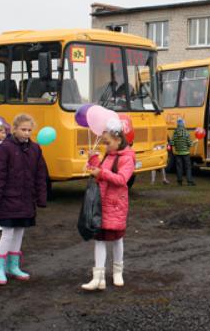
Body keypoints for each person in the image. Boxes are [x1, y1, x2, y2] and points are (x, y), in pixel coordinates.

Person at [0, 114, 48, 285]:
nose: (26, 133)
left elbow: (40, 174)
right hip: (8, 198)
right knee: (7, 233)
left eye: (29, 130)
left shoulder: (36, 149)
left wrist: (41, 197)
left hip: (26, 199)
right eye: (23, 129)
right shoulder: (5, 148)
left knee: (19, 232)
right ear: (14, 129)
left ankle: (13, 266)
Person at [82, 118, 135, 291]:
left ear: (118, 140)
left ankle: (118, 272)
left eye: (108, 143)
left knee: (117, 238)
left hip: (116, 205)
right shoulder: (109, 155)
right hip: (101, 203)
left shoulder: (127, 158)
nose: (106, 146)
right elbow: (102, 172)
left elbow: (121, 179)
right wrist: (93, 160)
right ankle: (99, 277)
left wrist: (101, 173)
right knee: (99, 239)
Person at [170, 118, 195, 186]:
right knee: (187, 167)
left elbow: (172, 143)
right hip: (186, 153)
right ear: (183, 124)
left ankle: (179, 182)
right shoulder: (186, 132)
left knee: (179, 167)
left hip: (177, 153)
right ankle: (189, 182)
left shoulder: (175, 132)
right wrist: (194, 142)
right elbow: (190, 144)